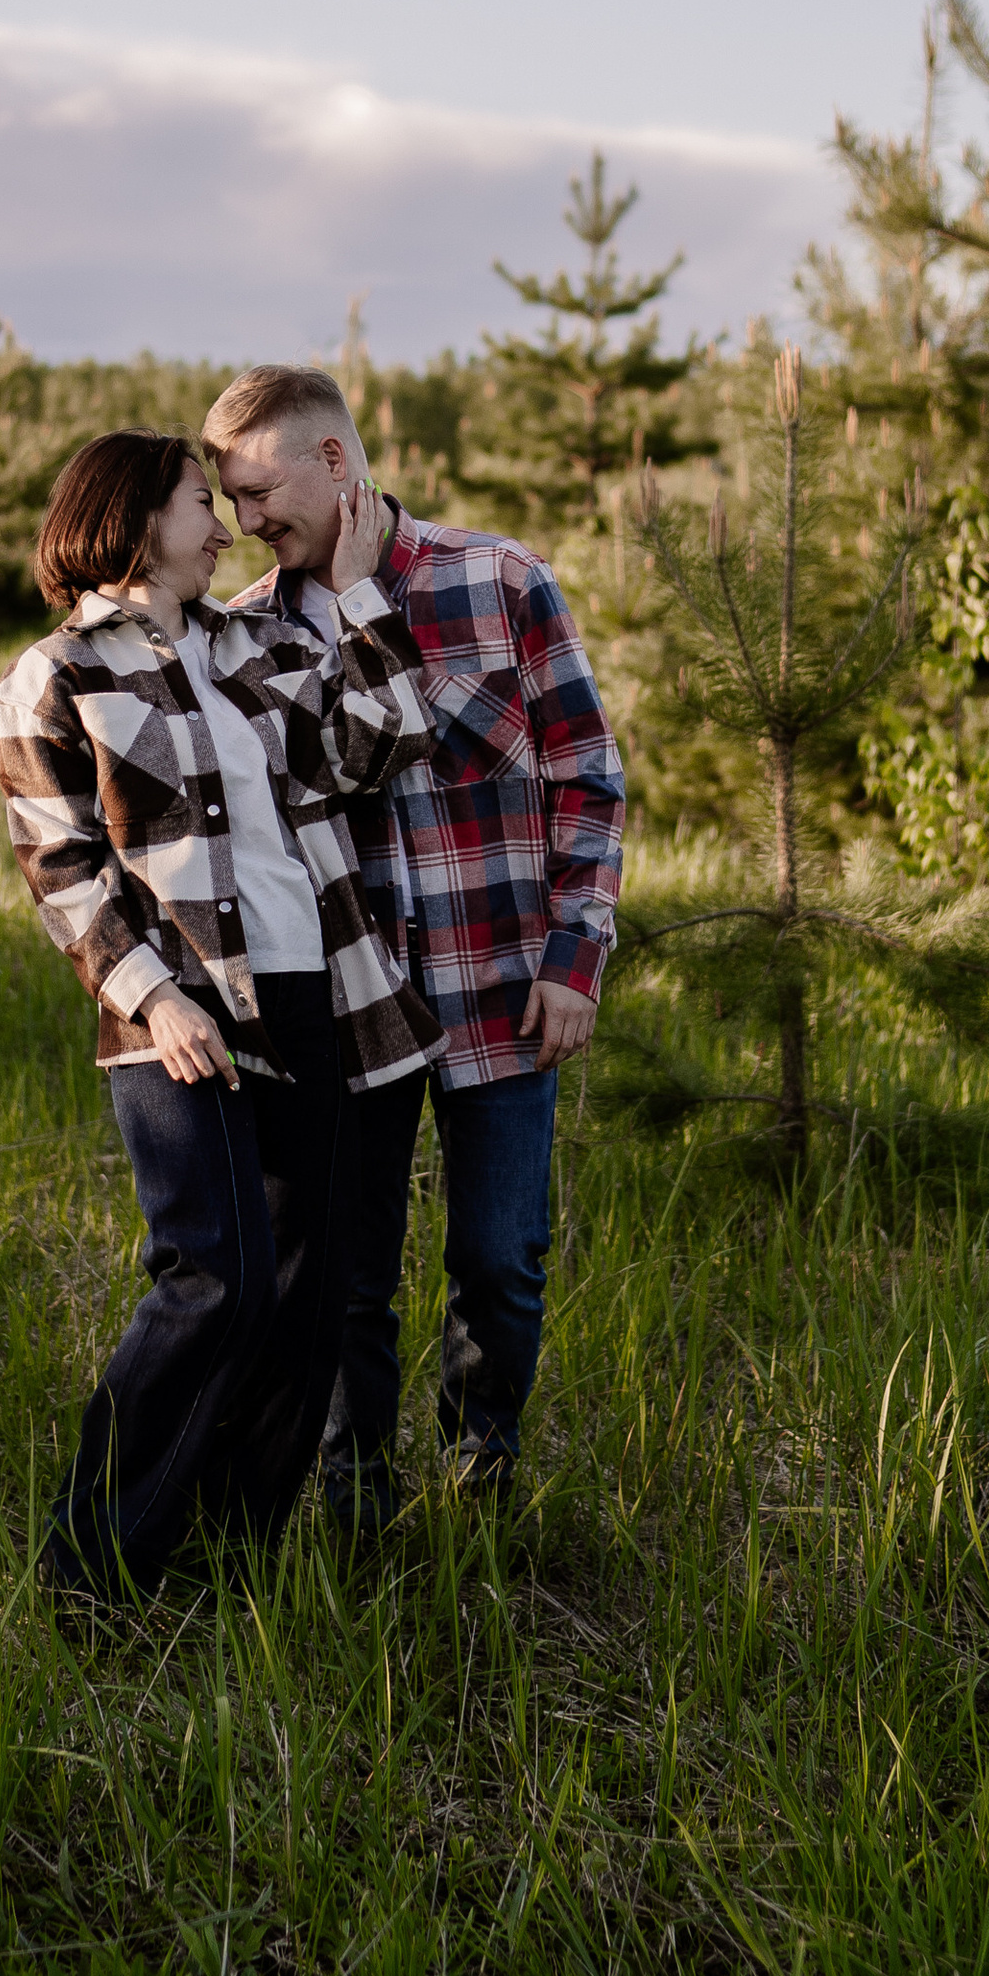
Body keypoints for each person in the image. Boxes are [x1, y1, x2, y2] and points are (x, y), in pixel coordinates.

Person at [0, 427, 442, 1603]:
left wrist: (352, 600)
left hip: (323, 996)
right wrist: (147, 997)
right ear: (140, 519)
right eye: (203, 501)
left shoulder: (262, 640)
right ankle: (89, 1567)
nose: (225, 524)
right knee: (214, 1281)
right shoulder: (54, 675)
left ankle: (222, 1571)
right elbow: (61, 867)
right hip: (178, 1014)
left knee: (306, 1304)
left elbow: (386, 740)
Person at [203, 364, 625, 1524]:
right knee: (347, 1280)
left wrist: (572, 961)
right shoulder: (248, 634)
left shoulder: (502, 581)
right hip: (349, 1016)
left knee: (499, 1261)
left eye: (257, 492)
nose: (246, 521)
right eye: (229, 502)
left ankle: (481, 1478)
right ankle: (354, 1507)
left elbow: (589, 782)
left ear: (334, 461)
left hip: (503, 993)